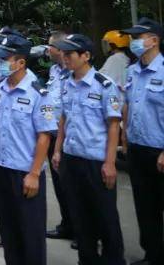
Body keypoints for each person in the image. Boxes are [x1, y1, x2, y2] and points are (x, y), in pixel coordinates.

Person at [0, 33, 56, 265]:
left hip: (25, 171)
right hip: (2, 169)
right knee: (9, 230)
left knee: (31, 234)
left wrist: (34, 173)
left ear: (21, 62)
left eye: (5, 59)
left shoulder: (38, 93)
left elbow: (44, 136)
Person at [52, 32, 125, 265]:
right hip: (71, 158)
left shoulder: (104, 86)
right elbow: (63, 118)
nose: (64, 57)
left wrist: (110, 162)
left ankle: (114, 260)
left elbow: (114, 125)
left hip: (96, 160)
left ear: (85, 56)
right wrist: (57, 150)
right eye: (63, 53)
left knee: (105, 217)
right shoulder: (66, 83)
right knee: (80, 217)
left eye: (69, 53)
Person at [122, 17, 164, 265]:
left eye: (138, 37)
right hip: (138, 149)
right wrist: (125, 141)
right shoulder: (132, 71)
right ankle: (153, 255)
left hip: (159, 149)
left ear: (154, 40)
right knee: (145, 206)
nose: (133, 41)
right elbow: (127, 106)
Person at [43, 30, 75, 242]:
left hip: (70, 137)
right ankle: (68, 225)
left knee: (73, 187)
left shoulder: (75, 73)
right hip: (53, 134)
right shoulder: (54, 71)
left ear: (60, 49)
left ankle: (83, 230)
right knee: (60, 186)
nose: (47, 50)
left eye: (50, 47)